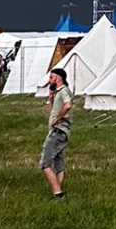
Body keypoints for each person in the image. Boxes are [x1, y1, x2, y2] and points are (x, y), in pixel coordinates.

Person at [39, 67, 73, 200]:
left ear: (57, 79)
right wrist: (51, 96)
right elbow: (52, 110)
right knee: (58, 165)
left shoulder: (64, 91)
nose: (49, 81)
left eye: (51, 78)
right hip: (61, 131)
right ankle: (59, 189)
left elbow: (68, 105)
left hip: (58, 131)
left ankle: (58, 193)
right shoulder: (58, 92)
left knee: (45, 164)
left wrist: (58, 119)